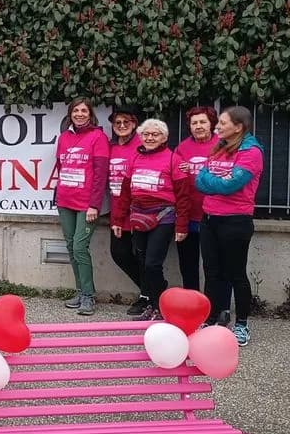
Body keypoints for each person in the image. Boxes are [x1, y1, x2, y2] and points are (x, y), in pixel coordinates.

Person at [195, 106, 264, 346]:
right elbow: (199, 181)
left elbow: (229, 186)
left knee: (236, 274)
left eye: (223, 123)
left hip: (235, 221)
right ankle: (212, 317)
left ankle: (242, 324)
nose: (218, 127)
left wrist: (213, 181)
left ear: (238, 127)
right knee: (212, 272)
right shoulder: (219, 148)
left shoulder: (251, 152)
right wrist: (216, 181)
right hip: (209, 219)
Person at [111, 119, 192, 321]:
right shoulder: (134, 158)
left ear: (164, 138)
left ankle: (160, 306)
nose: (149, 138)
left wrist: (181, 226)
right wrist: (118, 220)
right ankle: (151, 303)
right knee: (142, 261)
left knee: (152, 264)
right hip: (139, 216)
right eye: (146, 134)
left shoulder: (173, 159)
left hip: (163, 218)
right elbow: (124, 193)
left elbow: (183, 196)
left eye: (155, 134)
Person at [54, 98, 110, 315]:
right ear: (70, 114)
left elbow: (100, 175)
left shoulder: (98, 137)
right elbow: (61, 166)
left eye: (84, 110)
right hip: (65, 201)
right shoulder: (64, 137)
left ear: (90, 114)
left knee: (79, 247)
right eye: (75, 110)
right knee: (71, 247)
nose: (79, 114)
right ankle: (80, 291)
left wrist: (95, 205)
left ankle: (88, 295)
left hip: (87, 204)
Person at [107, 105, 147, 315]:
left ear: (134, 124)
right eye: (117, 123)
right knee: (119, 253)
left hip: (140, 210)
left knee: (143, 256)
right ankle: (153, 289)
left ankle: (147, 296)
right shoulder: (110, 147)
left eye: (126, 122)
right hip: (117, 209)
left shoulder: (142, 145)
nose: (122, 126)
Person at [174, 106, 220, 292]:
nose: (198, 126)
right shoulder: (182, 148)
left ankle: (212, 303)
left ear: (212, 124)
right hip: (188, 215)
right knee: (188, 264)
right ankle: (191, 301)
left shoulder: (223, 145)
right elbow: (174, 177)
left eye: (203, 122)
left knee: (213, 265)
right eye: (194, 123)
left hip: (214, 215)